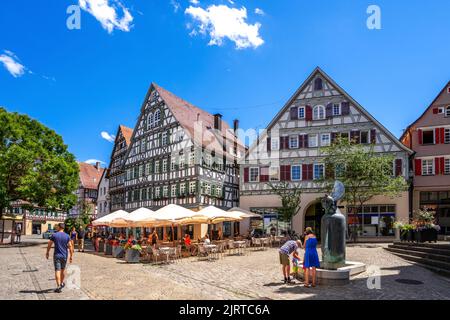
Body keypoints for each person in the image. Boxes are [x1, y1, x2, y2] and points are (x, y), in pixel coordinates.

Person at [46, 223, 73, 293]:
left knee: (57, 270)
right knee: (62, 270)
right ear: (63, 228)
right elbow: (70, 246)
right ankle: (61, 283)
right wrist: (71, 256)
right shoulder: (67, 236)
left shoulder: (54, 235)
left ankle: (58, 286)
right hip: (64, 256)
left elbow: (49, 244)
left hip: (57, 255)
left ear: (59, 227)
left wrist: (47, 252)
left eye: (57, 227)